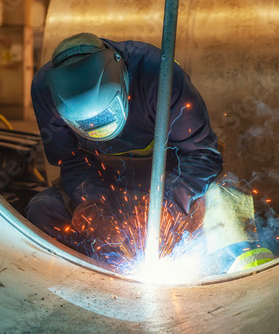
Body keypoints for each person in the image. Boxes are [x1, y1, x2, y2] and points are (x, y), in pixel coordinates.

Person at [25, 33, 223, 261]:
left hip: (168, 177)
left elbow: (203, 154)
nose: (97, 129)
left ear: (123, 79)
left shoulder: (158, 74)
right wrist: (94, 204)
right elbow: (71, 160)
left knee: (222, 202)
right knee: (42, 210)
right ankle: (95, 274)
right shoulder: (44, 90)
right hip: (103, 182)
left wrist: (170, 205)